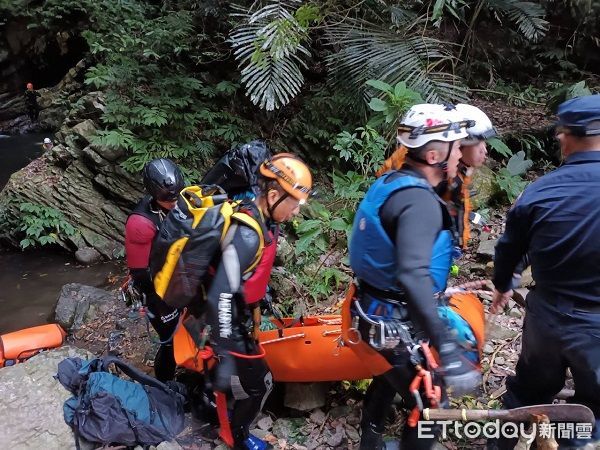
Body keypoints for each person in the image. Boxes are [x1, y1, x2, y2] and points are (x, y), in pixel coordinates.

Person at [349, 104, 481, 450]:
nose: (460, 155)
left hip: (372, 310)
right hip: (394, 321)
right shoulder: (418, 201)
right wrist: (448, 347)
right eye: (457, 147)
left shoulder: (391, 182)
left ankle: (371, 442)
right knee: (432, 404)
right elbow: (412, 273)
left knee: (389, 378)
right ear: (435, 154)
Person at [489, 94, 600, 450]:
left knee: (526, 392)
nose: (558, 139)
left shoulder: (538, 192)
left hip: (546, 317)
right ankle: (574, 443)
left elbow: (509, 249)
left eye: (561, 133)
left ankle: (503, 443)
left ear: (571, 136)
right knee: (594, 410)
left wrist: (504, 283)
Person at [200, 152, 313, 450]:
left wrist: (257, 302)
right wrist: (225, 349)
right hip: (223, 318)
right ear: (274, 195)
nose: (296, 213)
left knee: (244, 381)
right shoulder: (247, 234)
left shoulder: (262, 217)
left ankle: (213, 405)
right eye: (295, 205)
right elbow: (221, 295)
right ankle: (237, 438)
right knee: (260, 384)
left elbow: (247, 277)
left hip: (237, 313)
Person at [376, 103, 497, 249]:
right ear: (459, 144)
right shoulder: (419, 176)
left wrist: (458, 245)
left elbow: (457, 206)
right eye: (478, 143)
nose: (484, 150)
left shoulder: (455, 170)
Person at [125, 158, 184, 382]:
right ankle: (165, 385)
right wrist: (165, 297)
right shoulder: (140, 223)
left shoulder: (179, 200)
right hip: (156, 289)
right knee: (170, 339)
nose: (174, 202)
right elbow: (140, 273)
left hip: (178, 279)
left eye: (177, 196)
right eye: (168, 199)